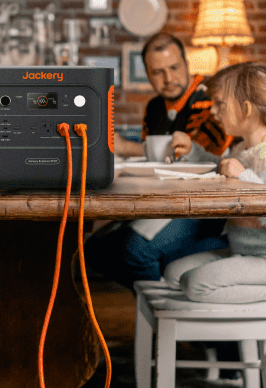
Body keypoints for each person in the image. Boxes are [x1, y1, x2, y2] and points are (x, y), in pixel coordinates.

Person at [87, 32, 234, 289]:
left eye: (174, 68)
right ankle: (155, 300)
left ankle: (160, 317)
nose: (168, 79)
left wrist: (127, 148)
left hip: (204, 204)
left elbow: (200, 158)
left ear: (186, 64)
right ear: (147, 74)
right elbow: (158, 158)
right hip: (165, 199)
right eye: (157, 72)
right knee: (93, 249)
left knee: (132, 250)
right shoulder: (154, 107)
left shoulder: (207, 98)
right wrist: (124, 148)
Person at [164, 61, 266, 303]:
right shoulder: (243, 149)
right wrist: (193, 151)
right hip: (241, 251)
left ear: (246, 109)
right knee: (173, 274)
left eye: (220, 104)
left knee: (193, 284)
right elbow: (223, 169)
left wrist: (243, 176)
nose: (214, 111)